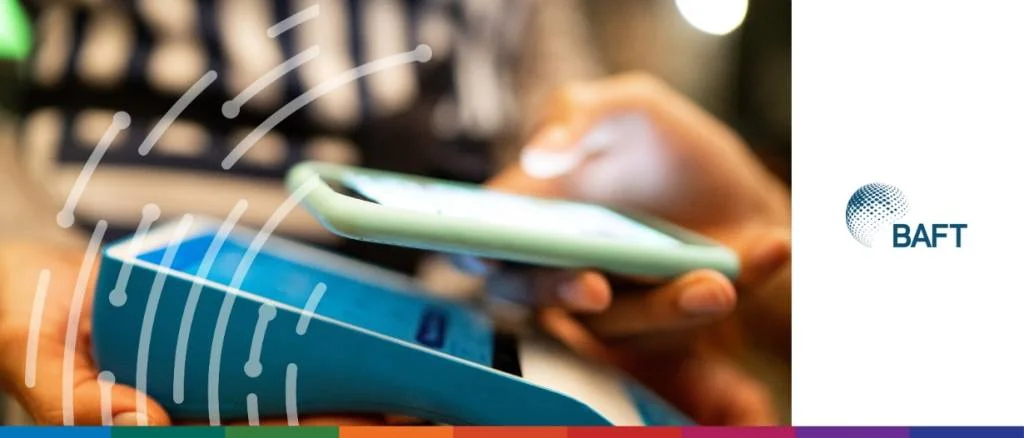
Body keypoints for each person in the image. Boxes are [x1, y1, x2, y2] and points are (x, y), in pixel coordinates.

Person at [0, 0, 790, 427]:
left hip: (462, 335)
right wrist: (14, 250)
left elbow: (547, 92)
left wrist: (583, 199)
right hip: (100, 301)